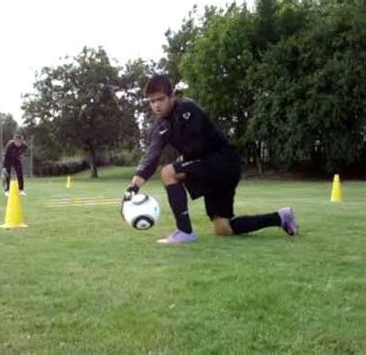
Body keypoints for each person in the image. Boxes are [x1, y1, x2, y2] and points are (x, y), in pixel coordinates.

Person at [124, 74, 298, 244]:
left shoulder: (187, 109)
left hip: (223, 161)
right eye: (152, 101)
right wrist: (133, 188)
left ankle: (184, 231)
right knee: (223, 228)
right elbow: (151, 156)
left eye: (160, 99)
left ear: (171, 96)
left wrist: (182, 161)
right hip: (211, 169)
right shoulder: (159, 126)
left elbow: (198, 145)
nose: (156, 105)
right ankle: (281, 217)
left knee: (168, 172)